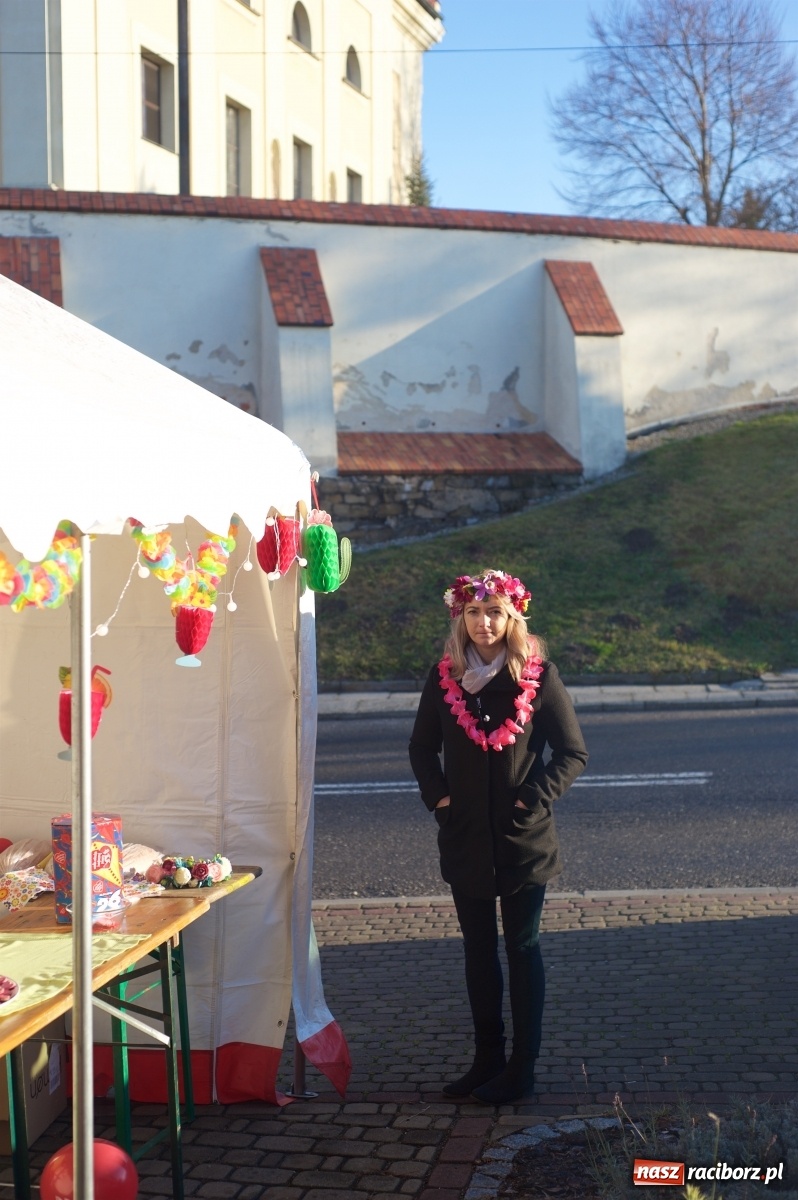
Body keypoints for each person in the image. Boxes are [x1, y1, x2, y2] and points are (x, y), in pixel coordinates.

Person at [408, 569, 588, 1103]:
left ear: (512, 618)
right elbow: (421, 748)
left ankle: (521, 1068)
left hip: (522, 844)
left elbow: (572, 752)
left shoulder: (539, 676)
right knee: (478, 951)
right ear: (459, 619)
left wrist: (533, 797)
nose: (483, 623)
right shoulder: (445, 679)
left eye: (494, 613)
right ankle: (486, 1059)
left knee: (522, 948)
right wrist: (441, 801)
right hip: (464, 841)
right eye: (473, 613)